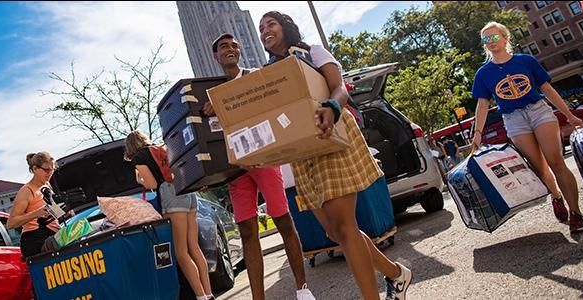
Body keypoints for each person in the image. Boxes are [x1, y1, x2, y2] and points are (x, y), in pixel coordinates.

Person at [258, 11, 412, 300]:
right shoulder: (268, 74)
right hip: (303, 153)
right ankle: (396, 274)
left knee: (345, 227)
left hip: (333, 135)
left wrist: (332, 107)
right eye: (261, 27)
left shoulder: (312, 51)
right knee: (335, 233)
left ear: (286, 26)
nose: (265, 30)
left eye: (271, 24)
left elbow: (339, 87)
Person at [202, 33, 315, 300]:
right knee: (247, 232)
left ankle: (303, 289)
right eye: (223, 47)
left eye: (234, 46)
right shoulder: (210, 93)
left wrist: (222, 105)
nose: (230, 49)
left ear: (239, 52)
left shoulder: (255, 76)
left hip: (264, 158)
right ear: (216, 56)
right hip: (236, 167)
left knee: (284, 221)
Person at [471, 21, 583, 233]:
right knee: (540, 168)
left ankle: (576, 214)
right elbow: (482, 105)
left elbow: (547, 88)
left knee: (556, 161)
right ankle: (556, 195)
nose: (490, 42)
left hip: (539, 111)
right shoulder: (483, 73)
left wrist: (569, 115)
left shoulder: (525, 61)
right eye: (485, 39)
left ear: (505, 37)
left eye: (494, 37)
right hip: (513, 119)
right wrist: (477, 134)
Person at [123, 131, 215, 300]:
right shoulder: (161, 148)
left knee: (181, 252)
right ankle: (209, 293)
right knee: (194, 247)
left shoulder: (139, 158)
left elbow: (152, 184)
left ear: (130, 147)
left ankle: (201, 296)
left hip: (170, 194)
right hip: (187, 189)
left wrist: (139, 180)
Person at [7, 152, 73, 257]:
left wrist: (64, 212)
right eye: (46, 170)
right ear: (35, 169)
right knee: (74, 238)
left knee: (84, 229)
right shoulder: (26, 191)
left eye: (52, 169)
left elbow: (49, 213)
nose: (50, 173)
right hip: (35, 241)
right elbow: (11, 223)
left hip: (53, 233)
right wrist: (36, 214)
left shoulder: (47, 185)